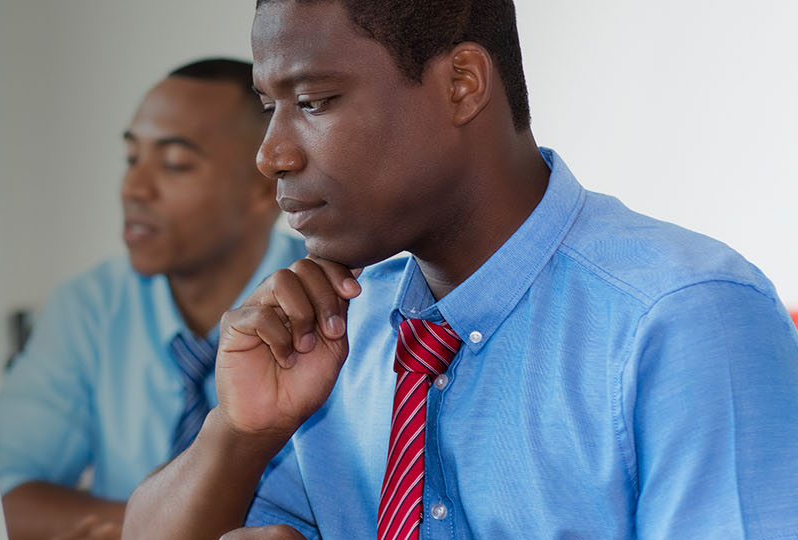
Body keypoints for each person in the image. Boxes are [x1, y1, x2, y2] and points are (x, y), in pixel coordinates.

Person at [123, 1, 798, 539]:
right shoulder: (334, 336)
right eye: (271, 108)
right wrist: (240, 433)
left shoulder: (685, 317)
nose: (271, 155)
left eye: (315, 101)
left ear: (462, 84)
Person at [0, 59, 306, 540]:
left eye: (175, 164)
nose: (134, 188)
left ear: (267, 189)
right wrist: (165, 529)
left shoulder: (330, 303)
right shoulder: (91, 306)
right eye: (132, 158)